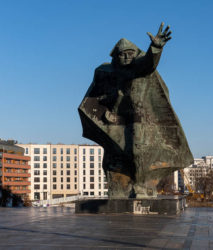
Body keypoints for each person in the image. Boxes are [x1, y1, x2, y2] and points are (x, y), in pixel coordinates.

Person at [79, 23, 192, 198]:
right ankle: (119, 187)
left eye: (129, 54)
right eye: (121, 55)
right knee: (114, 152)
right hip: (115, 119)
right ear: (116, 56)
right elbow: (100, 93)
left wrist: (155, 47)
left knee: (138, 151)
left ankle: (140, 184)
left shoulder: (138, 68)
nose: (125, 58)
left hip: (138, 118)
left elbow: (149, 63)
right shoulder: (107, 71)